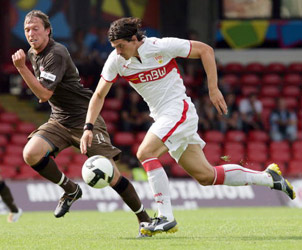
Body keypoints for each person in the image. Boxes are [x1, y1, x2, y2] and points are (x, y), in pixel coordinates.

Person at [80, 17, 295, 236]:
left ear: (134, 39)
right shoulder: (116, 61)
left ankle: (165, 217)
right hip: (163, 117)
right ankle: (270, 178)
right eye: (114, 48)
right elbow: (98, 95)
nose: (117, 52)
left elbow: (205, 50)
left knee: (145, 152)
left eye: (120, 46)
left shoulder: (160, 46)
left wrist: (213, 88)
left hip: (179, 110)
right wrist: (88, 127)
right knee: (206, 176)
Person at [11, 10, 150, 237]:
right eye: (27, 29)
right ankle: (70, 190)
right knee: (31, 154)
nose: (30, 33)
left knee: (112, 175)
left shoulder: (56, 52)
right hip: (59, 119)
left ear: (48, 30)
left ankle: (144, 219)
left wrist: (21, 68)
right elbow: (46, 94)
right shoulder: (32, 53)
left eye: (35, 28)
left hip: (85, 117)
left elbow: (44, 94)